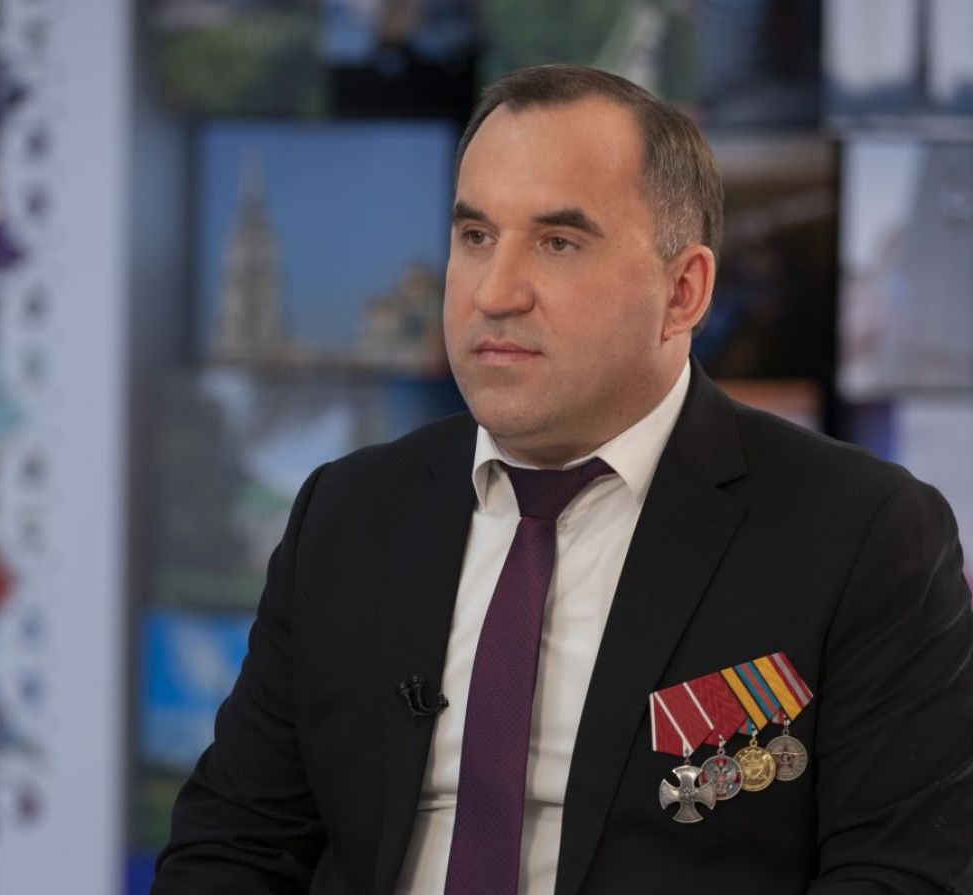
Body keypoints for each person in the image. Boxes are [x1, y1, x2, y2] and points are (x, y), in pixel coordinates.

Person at [151, 64, 973, 894]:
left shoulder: (863, 536)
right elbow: (232, 847)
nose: (494, 292)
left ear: (683, 291)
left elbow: (901, 876)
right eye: (476, 236)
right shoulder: (347, 513)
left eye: (558, 242)